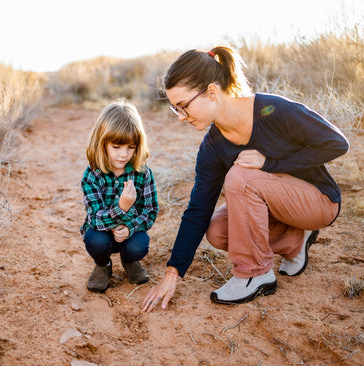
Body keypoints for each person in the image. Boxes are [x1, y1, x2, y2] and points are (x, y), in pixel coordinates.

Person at [141, 46, 349, 311]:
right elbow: (198, 210)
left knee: (241, 176)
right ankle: (294, 241)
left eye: (183, 106)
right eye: (175, 109)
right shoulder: (212, 147)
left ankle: (255, 273)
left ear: (212, 92)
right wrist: (172, 274)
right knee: (217, 231)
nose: (181, 117)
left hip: (319, 200)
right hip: (281, 208)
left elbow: (337, 143)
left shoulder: (273, 110)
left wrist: (271, 163)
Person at [81, 99, 159, 293]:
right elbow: (95, 219)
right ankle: (103, 265)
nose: (124, 155)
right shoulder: (92, 174)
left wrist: (130, 227)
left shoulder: (143, 173)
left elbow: (150, 212)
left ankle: (130, 261)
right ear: (102, 142)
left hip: (130, 233)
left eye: (131, 147)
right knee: (95, 240)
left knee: (138, 246)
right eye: (116, 147)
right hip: (102, 233)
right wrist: (122, 208)